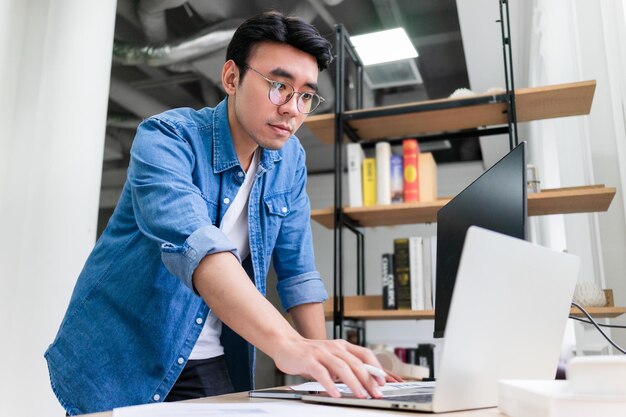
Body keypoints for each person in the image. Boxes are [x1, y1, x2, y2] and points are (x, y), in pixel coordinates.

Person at [45, 11, 387, 415]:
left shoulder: (289, 160)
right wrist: (287, 344)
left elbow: (298, 272)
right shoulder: (166, 138)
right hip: (120, 355)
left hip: (205, 355)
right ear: (231, 78)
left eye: (306, 95)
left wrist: (327, 371)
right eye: (279, 86)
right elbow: (199, 247)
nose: (293, 108)